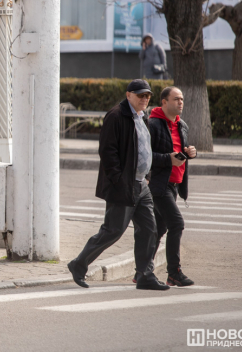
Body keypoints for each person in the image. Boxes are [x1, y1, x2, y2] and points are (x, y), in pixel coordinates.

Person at [67, 79, 170, 291]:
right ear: (128, 95)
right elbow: (107, 151)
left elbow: (145, 148)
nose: (144, 99)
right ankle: (79, 264)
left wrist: (148, 175)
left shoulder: (142, 116)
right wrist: (118, 179)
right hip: (124, 185)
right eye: (140, 95)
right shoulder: (116, 116)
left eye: (147, 95)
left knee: (149, 229)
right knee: (113, 231)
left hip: (142, 184)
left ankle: (144, 275)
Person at [145, 86, 197, 287]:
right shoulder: (152, 124)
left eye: (181, 99)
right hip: (159, 184)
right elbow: (145, 156)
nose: (180, 102)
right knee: (176, 224)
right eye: (176, 99)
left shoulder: (182, 125)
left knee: (159, 228)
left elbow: (179, 152)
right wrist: (168, 159)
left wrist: (190, 152)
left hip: (174, 184)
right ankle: (174, 273)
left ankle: (142, 271)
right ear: (164, 102)